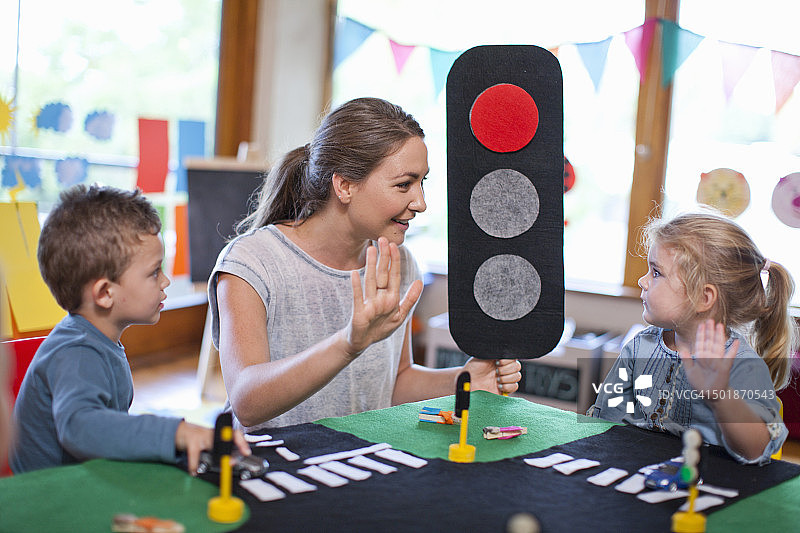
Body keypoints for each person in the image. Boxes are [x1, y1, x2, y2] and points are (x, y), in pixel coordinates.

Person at [210, 97, 522, 432]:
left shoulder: (397, 261)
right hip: (271, 471)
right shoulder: (252, 261)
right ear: (344, 185)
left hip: (361, 464)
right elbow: (247, 403)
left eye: (422, 183)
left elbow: (396, 382)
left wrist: (466, 379)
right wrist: (349, 343)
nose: (421, 203)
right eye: (404, 184)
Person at [10, 185, 249, 474]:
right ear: (104, 293)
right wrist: (176, 433)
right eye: (153, 272)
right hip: (51, 503)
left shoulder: (95, 339)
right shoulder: (76, 353)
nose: (165, 281)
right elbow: (82, 429)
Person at [589, 211, 796, 464]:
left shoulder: (743, 364)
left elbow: (757, 450)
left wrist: (721, 396)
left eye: (656, 272)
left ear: (703, 298)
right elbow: (602, 425)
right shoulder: (638, 347)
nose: (642, 281)